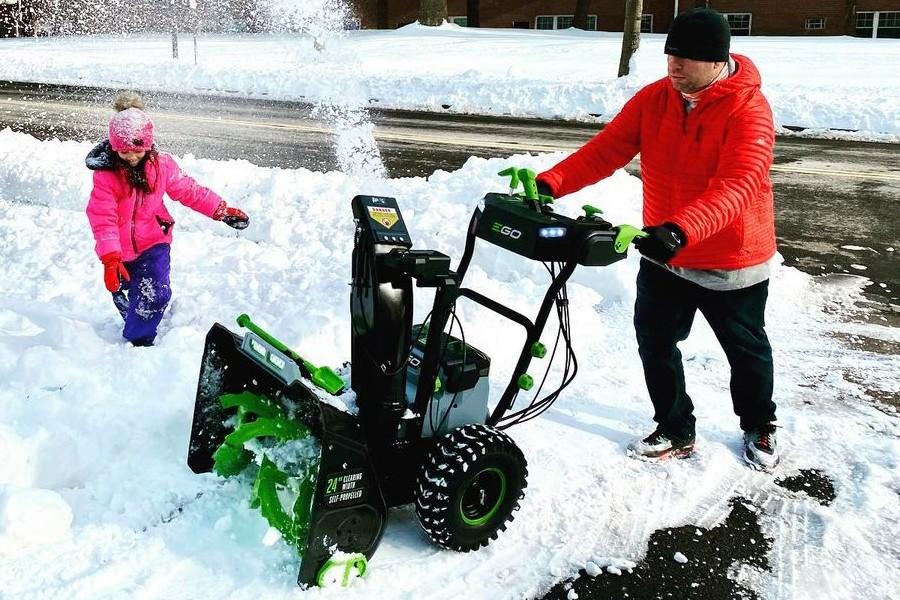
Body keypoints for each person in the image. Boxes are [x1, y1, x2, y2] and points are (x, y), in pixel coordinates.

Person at [535, 8, 779, 470]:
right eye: (670, 55)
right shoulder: (656, 98)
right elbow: (606, 149)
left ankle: (759, 426)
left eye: (686, 58)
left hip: (729, 256)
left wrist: (681, 229)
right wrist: (552, 182)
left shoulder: (749, 109)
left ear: (717, 60)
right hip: (664, 251)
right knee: (655, 341)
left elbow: (739, 183)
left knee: (746, 350)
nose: (674, 66)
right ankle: (674, 425)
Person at [85, 93, 250, 347]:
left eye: (137, 150)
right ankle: (123, 296)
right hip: (119, 249)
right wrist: (110, 258)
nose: (130, 156)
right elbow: (102, 218)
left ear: (148, 145)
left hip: (154, 243)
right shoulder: (107, 176)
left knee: (155, 294)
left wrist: (222, 210)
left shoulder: (162, 166)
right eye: (123, 151)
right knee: (127, 285)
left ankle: (137, 342)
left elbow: (190, 191)